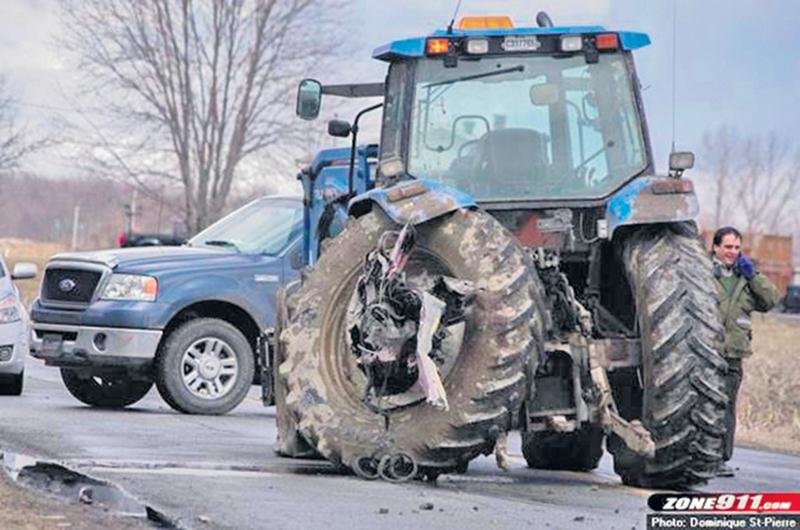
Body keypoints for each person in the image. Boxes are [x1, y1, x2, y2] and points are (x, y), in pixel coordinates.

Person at [711, 226, 780, 477]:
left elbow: (771, 300)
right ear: (716, 247)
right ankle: (697, 457)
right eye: (728, 247)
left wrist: (753, 276)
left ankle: (720, 459)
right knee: (702, 406)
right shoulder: (701, 274)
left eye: (737, 248)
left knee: (726, 406)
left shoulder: (746, 278)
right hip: (706, 354)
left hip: (733, 354)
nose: (732, 252)